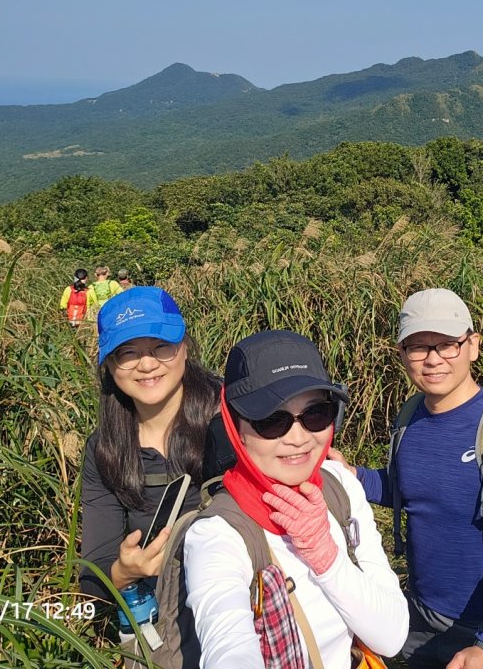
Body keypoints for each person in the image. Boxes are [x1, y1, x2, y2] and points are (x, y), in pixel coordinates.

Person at [330, 289, 483, 669]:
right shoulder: (410, 418)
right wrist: (356, 477)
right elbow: (412, 491)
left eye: (447, 345)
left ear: (473, 346)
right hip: (420, 615)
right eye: (418, 347)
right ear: (401, 355)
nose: (433, 360)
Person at [184, 329, 408, 668]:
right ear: (235, 427)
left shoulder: (340, 488)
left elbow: (391, 636)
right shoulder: (218, 534)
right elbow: (226, 639)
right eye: (272, 420)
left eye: (316, 413)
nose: (299, 438)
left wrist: (327, 558)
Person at [79, 286, 224, 610]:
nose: (146, 364)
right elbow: (92, 581)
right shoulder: (106, 450)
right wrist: (123, 571)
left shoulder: (230, 416)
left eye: (161, 346)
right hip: (168, 622)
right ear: (110, 365)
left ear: (184, 348)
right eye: (127, 352)